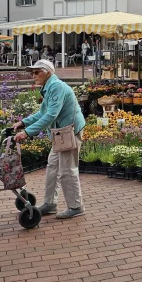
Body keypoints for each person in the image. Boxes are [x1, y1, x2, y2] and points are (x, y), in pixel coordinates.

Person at [14, 60, 87, 218]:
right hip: (61, 133)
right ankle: (50, 204)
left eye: (37, 72)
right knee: (53, 167)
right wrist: (24, 122)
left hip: (69, 132)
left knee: (67, 170)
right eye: (32, 73)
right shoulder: (48, 87)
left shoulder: (56, 86)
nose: (33, 76)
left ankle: (76, 207)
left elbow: (51, 115)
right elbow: (43, 113)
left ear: (47, 72)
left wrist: (27, 132)